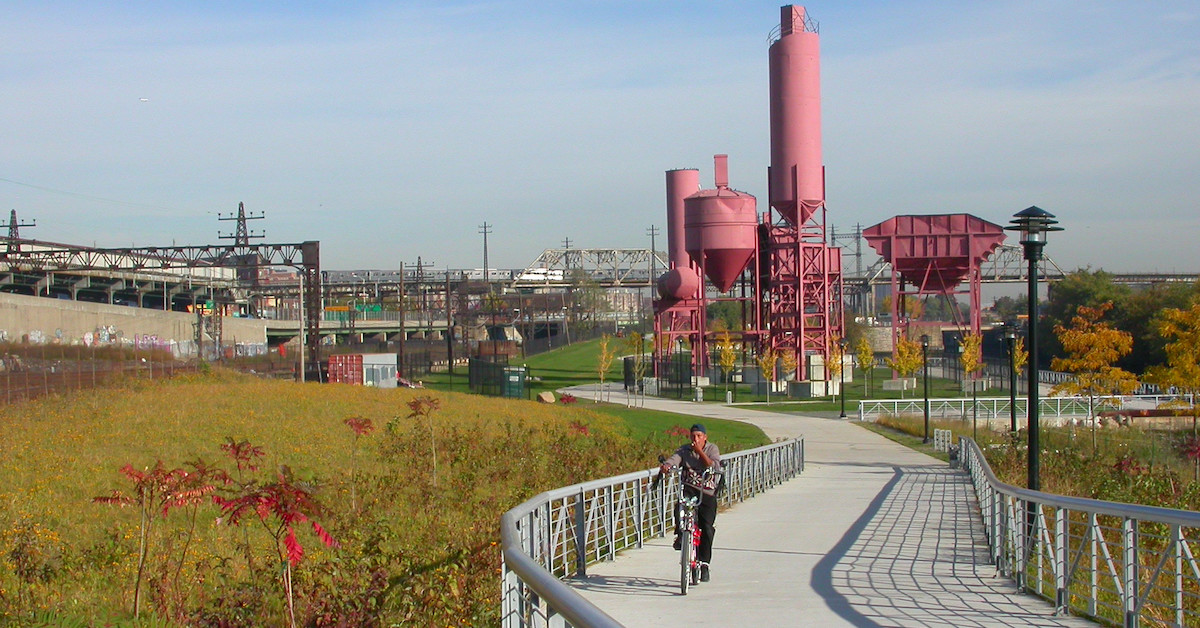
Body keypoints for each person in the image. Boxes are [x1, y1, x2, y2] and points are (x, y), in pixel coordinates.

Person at [659, 423, 721, 582]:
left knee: (706, 528)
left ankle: (704, 564)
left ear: (705, 437)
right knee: (680, 506)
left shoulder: (712, 449)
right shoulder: (684, 450)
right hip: (689, 489)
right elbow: (675, 459)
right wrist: (667, 466)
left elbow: (711, 464)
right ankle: (681, 535)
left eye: (699, 436)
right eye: (693, 436)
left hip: (707, 492)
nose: (696, 439)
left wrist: (699, 451)